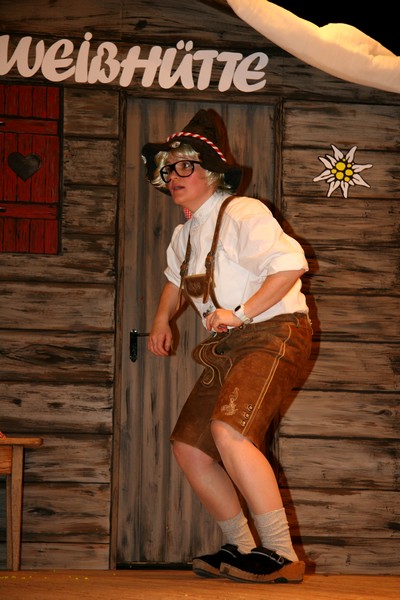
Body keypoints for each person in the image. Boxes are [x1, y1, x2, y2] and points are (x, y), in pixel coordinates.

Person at [141, 108, 312, 584]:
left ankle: (281, 554)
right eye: (168, 168)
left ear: (213, 173)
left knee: (229, 432)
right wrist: (161, 320)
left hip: (274, 332)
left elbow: (290, 265)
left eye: (185, 165)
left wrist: (241, 312)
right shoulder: (184, 234)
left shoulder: (243, 212)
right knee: (189, 447)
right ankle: (243, 546)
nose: (173, 175)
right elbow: (175, 282)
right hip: (229, 346)